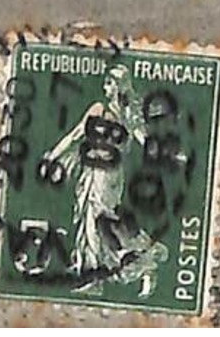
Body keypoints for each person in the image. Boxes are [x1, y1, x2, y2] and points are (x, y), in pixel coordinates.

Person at [39, 65, 170, 296]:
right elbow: (76, 135)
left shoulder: (128, 116)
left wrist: (166, 153)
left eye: (110, 82)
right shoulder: (100, 109)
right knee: (90, 219)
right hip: (90, 172)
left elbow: (145, 142)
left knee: (96, 219)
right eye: (106, 82)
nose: (106, 86)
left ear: (119, 86)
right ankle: (107, 268)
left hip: (108, 175)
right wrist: (53, 155)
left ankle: (98, 274)